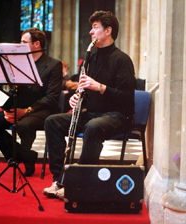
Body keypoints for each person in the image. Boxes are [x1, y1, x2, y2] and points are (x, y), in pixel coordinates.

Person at [42, 11, 136, 198]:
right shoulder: (90, 57)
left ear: (108, 31)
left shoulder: (122, 59)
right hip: (92, 112)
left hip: (118, 115)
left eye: (95, 27)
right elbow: (84, 89)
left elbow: (126, 98)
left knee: (93, 127)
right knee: (52, 121)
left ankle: (79, 182)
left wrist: (100, 87)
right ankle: (59, 180)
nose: (91, 32)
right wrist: (77, 97)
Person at [0, 28, 62, 177]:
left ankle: (22, 158)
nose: (20, 45)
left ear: (36, 44)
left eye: (24, 42)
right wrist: (10, 108)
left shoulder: (54, 65)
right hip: (20, 107)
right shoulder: (18, 63)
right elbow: (17, 91)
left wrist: (27, 110)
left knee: (24, 125)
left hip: (43, 110)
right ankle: (25, 156)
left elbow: (52, 97)